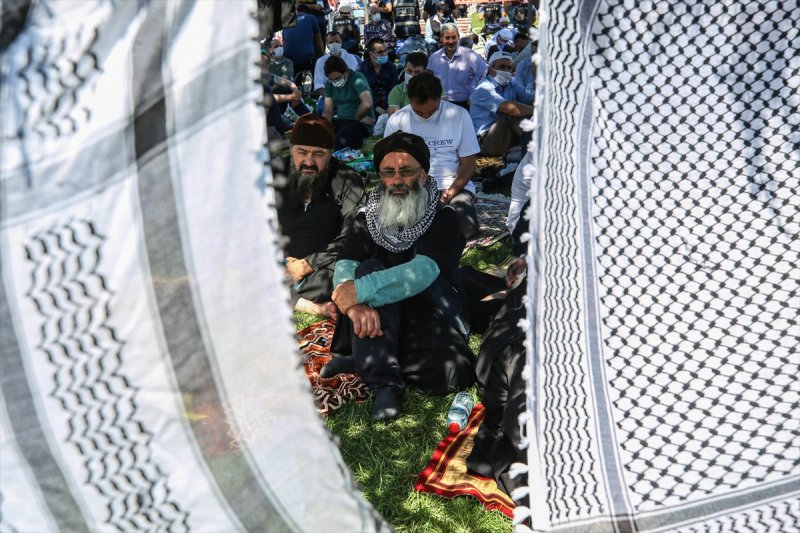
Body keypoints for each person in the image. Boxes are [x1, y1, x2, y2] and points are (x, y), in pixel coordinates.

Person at [322, 131, 475, 421]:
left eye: (406, 171)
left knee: (454, 371)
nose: (397, 180)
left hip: (427, 312)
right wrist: (353, 302)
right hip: (376, 316)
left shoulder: (444, 218)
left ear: (424, 173)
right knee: (366, 268)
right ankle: (383, 384)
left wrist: (361, 291)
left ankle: (366, 359)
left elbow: (422, 272)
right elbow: (346, 260)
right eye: (388, 172)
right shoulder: (365, 215)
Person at [276, 114, 366, 317]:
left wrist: (306, 264)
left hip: (322, 268)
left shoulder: (347, 181)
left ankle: (283, 293)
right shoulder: (273, 174)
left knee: (352, 272)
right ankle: (307, 304)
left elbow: (352, 234)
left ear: (331, 153)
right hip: (278, 262)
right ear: (291, 151)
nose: (309, 161)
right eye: (302, 152)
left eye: (318, 154)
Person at [385, 71, 481, 239]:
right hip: (412, 185)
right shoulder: (397, 120)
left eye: (431, 112)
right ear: (409, 100)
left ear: (439, 99)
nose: (425, 116)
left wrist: (450, 193)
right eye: (418, 112)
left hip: (452, 185)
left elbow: (469, 164)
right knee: (396, 223)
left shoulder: (459, 115)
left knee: (465, 225)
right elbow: (388, 166)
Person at [469, 51, 533, 156]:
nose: (506, 71)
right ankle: (536, 144)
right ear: (490, 69)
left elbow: (532, 98)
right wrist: (536, 110)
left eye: (509, 68)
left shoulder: (512, 86)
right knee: (511, 112)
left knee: (523, 109)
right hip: (485, 141)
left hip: (505, 136)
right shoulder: (484, 89)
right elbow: (510, 108)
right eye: (502, 67)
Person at [427, 23, 488, 109]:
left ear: (458, 37)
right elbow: (428, 80)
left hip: (465, 105)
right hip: (440, 105)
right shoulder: (434, 58)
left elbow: (486, 73)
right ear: (441, 38)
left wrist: (475, 94)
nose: (451, 41)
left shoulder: (470, 56)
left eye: (453, 37)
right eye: (447, 38)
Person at [322, 55, 376, 149]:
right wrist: (324, 126)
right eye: (332, 80)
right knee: (320, 135)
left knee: (339, 141)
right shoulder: (329, 84)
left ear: (346, 72)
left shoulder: (357, 78)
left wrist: (358, 117)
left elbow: (367, 103)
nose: (335, 82)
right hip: (341, 120)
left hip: (360, 123)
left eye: (337, 78)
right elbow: (328, 111)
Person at [358, 37, 399, 115]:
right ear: (371, 54)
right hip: (369, 109)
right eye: (380, 52)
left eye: (386, 50)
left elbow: (394, 89)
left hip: (390, 107)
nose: (384, 54)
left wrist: (390, 108)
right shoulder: (362, 69)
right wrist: (377, 108)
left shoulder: (391, 67)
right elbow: (361, 93)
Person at [313, 31, 361, 97]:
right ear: (327, 44)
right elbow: (319, 86)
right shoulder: (320, 62)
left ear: (341, 42)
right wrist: (331, 99)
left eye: (337, 42)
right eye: (331, 42)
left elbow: (355, 80)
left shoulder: (351, 58)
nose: (334, 44)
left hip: (349, 95)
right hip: (328, 96)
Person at [282, 3, 324, 73]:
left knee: (295, 80)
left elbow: (284, 42)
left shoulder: (288, 22)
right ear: (307, 12)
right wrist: (322, 56)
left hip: (288, 59)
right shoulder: (311, 17)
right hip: (307, 58)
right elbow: (318, 40)